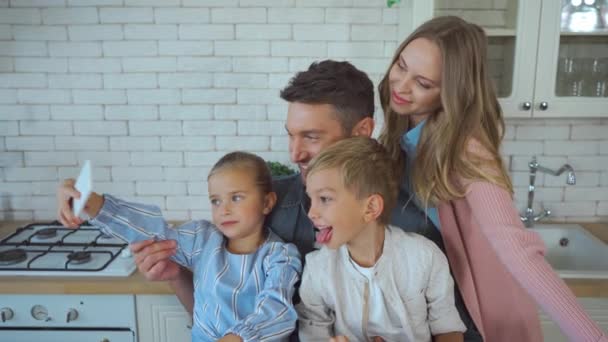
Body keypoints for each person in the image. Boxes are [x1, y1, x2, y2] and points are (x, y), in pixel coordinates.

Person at [91, 60, 483, 340]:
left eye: (311, 137)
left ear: (363, 131)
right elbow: (223, 316)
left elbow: (456, 326)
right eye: (290, 136)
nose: (295, 154)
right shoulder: (271, 206)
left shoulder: (421, 221)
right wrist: (178, 277)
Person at [377, 15, 608, 342]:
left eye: (423, 83)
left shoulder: (467, 150)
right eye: (401, 66)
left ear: (450, 93)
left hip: (474, 313)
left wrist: (593, 338)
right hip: (429, 306)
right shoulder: (401, 135)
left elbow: (516, 248)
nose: (400, 85)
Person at [56, 151, 302, 342]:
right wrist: (93, 203)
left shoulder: (280, 256)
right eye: (216, 200)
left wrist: (236, 338)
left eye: (236, 197)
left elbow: (277, 309)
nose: (224, 209)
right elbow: (153, 231)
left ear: (267, 202)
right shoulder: (203, 239)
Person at [297, 137, 465, 342]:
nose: (311, 213)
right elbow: (313, 331)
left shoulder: (425, 257)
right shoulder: (317, 269)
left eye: (324, 199)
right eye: (310, 199)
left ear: (371, 208)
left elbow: (447, 326)